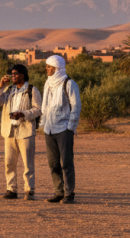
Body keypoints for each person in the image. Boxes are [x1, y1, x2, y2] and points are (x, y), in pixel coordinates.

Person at [0, 64, 42, 200]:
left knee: (28, 164)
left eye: (15, 74)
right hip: (9, 131)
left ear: (22, 75)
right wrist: (0, 86)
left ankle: (29, 190)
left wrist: (23, 114)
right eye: (11, 74)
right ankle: (11, 189)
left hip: (25, 131)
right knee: (9, 162)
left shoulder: (32, 90)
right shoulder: (8, 90)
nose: (12, 76)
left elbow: (38, 109)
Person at [41, 55, 82, 204]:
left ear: (57, 68)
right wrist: (44, 124)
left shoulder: (69, 83)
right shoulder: (48, 83)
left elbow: (76, 106)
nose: (46, 69)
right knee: (53, 163)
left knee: (66, 163)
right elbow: (45, 106)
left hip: (64, 128)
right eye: (47, 66)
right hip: (49, 129)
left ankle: (69, 194)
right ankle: (58, 192)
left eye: (49, 67)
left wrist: (71, 127)